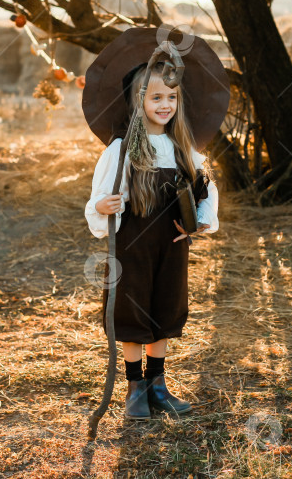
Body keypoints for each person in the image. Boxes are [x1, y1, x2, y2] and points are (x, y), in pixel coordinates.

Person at [82, 27, 230, 420]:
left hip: (172, 242)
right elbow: (99, 200)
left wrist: (199, 220)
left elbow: (205, 190)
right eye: (157, 97)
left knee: (165, 306)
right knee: (133, 311)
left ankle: (158, 386)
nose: (165, 104)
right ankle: (134, 390)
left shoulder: (184, 146)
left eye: (172, 97)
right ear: (138, 99)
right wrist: (103, 205)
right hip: (133, 243)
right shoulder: (122, 148)